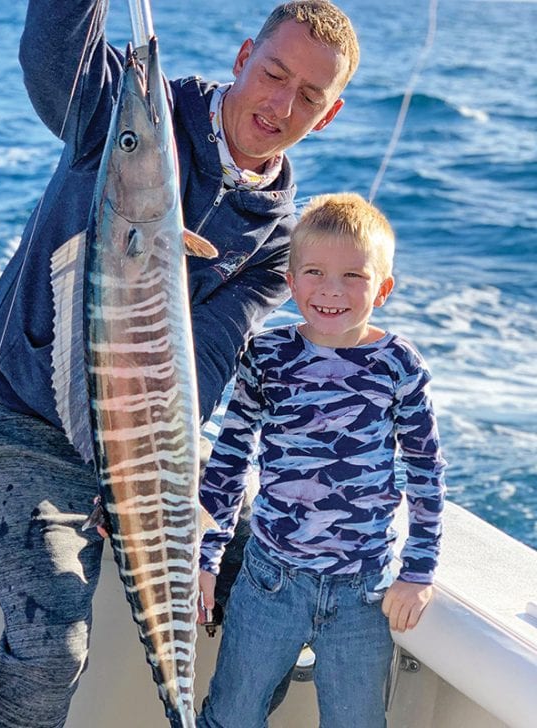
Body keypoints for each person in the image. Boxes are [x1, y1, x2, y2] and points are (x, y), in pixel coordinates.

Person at [0, 1, 360, 725]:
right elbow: (55, 51)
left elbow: (201, 361)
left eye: (308, 96)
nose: (280, 104)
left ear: (327, 116)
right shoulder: (123, 113)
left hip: (154, 434)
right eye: (273, 73)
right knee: (52, 649)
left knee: (287, 581)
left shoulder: (274, 241)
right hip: (24, 426)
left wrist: (144, 477)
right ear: (243, 57)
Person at [196, 193, 447, 728]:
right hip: (269, 581)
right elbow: (231, 457)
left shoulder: (398, 363)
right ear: (290, 281)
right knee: (232, 714)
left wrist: (418, 570)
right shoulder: (266, 355)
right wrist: (206, 557)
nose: (332, 289)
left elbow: (426, 471)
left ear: (382, 288)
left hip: (365, 589)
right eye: (313, 271)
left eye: (353, 276)